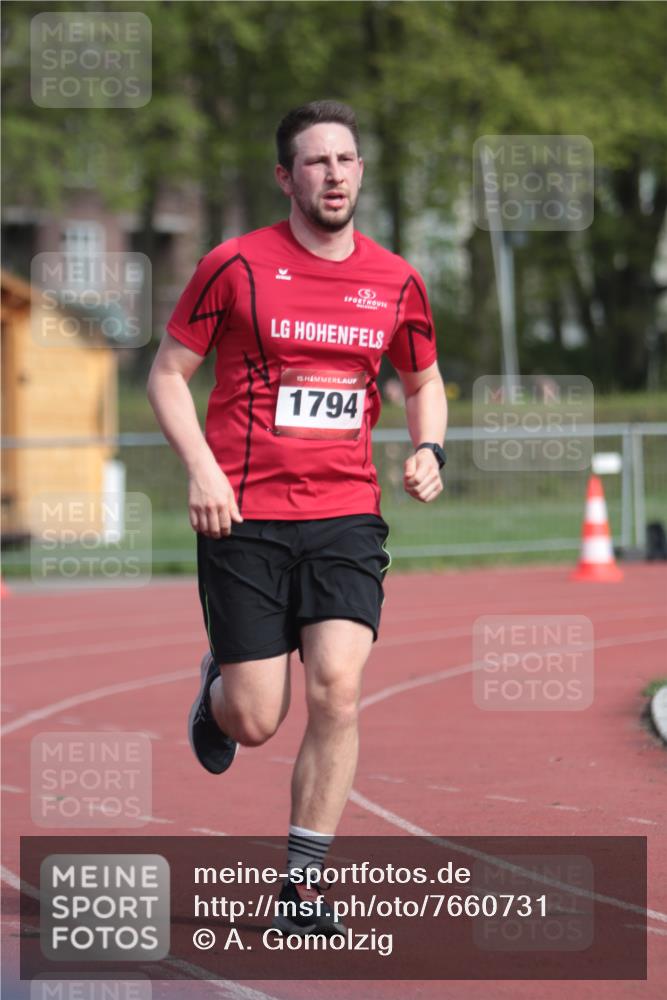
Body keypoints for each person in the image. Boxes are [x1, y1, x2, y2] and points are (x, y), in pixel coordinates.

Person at [147, 99, 447, 936]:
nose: (334, 174)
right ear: (286, 177)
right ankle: (217, 692)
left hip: (347, 512)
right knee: (255, 719)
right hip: (243, 515)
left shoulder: (394, 279)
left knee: (338, 689)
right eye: (316, 162)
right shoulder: (233, 266)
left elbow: (422, 381)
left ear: (361, 170)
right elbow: (168, 374)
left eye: (345, 159)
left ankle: (302, 887)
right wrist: (202, 471)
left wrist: (431, 450)